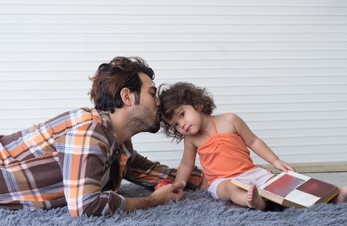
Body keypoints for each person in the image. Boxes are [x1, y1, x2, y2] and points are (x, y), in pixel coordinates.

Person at [0, 56, 203, 217]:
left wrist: (216, 176)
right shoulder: (90, 130)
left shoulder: (119, 146)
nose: (159, 102)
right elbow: (85, 206)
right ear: (127, 97)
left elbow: (157, 173)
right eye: (152, 93)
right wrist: (153, 201)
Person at [158, 82, 347, 210]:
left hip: (250, 172)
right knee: (231, 190)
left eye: (182, 115)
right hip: (221, 180)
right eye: (175, 124)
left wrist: (276, 160)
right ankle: (253, 202)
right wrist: (178, 185)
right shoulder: (192, 139)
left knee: (285, 183)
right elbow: (185, 164)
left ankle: (334, 194)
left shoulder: (229, 119)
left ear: (197, 105)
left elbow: (254, 141)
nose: (181, 125)